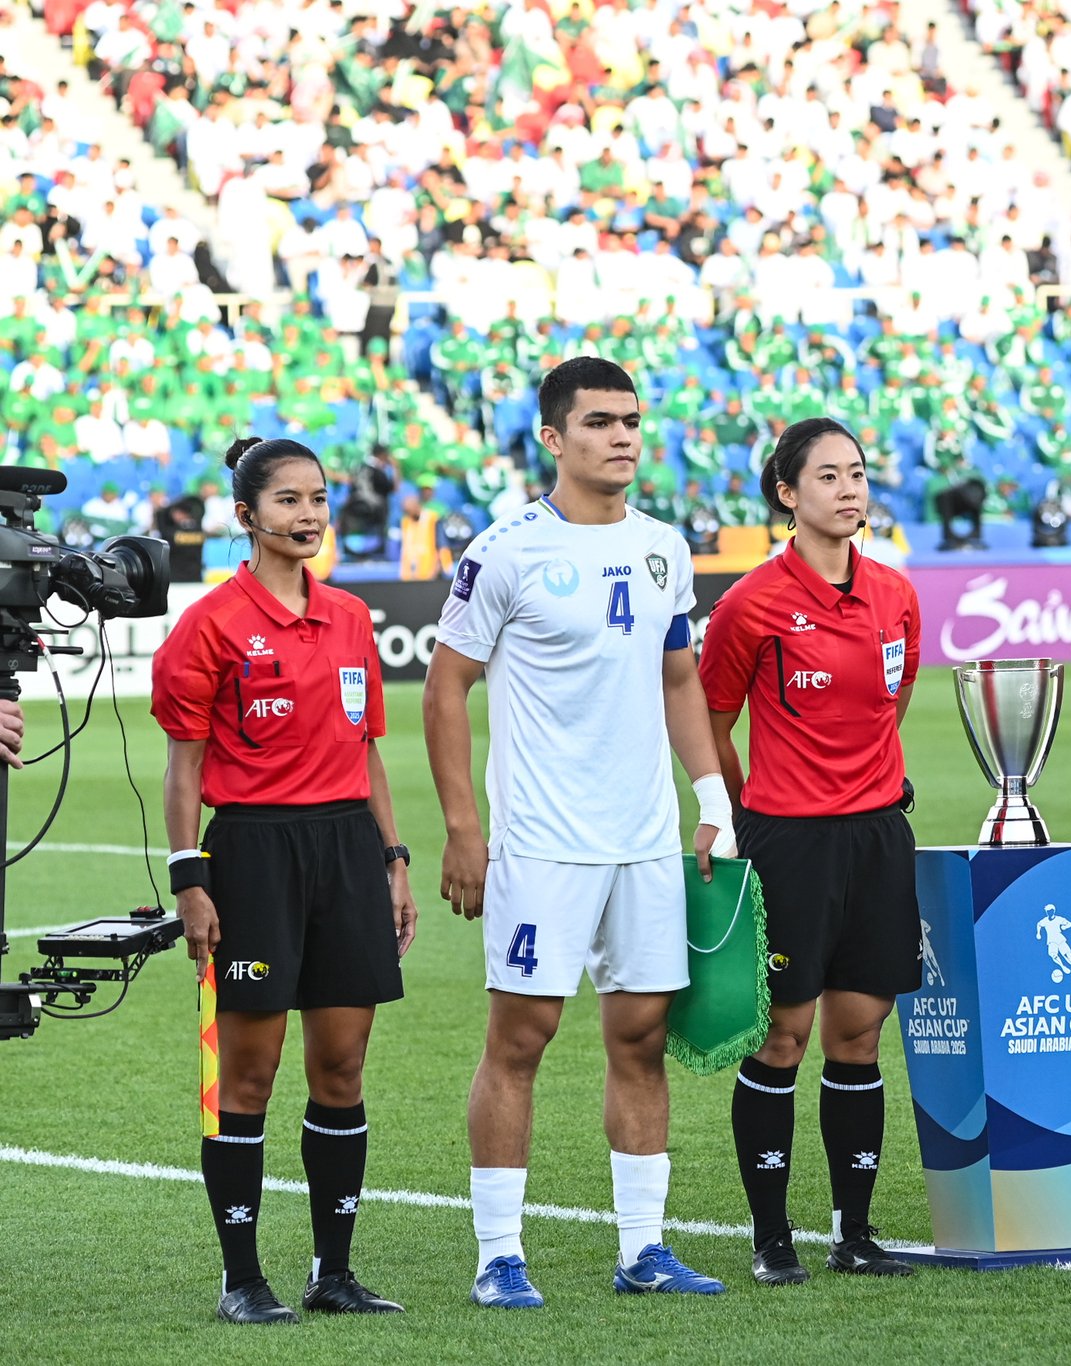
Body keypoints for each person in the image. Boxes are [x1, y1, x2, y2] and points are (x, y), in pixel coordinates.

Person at [424, 356, 734, 1309]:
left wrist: (712, 796)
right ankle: (498, 1255)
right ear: (554, 439)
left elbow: (680, 681)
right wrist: (464, 828)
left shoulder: (665, 546)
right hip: (542, 843)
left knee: (640, 1039)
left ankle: (644, 1249)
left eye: (632, 421)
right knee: (523, 1035)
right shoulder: (507, 549)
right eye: (600, 423)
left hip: (644, 841)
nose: (624, 437)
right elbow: (446, 686)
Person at [150, 436, 414, 1324]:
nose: (309, 515)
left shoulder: (347, 617)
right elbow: (183, 768)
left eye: (319, 498)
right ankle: (242, 1280)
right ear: (247, 516)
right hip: (253, 856)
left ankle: (332, 1275)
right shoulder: (210, 625)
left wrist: (392, 859)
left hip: (346, 849)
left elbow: (367, 751)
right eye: (290, 500)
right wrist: (192, 881)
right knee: (249, 1077)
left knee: (341, 1067)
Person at [698, 417, 923, 1286]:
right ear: (787, 496)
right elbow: (713, 722)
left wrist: (860, 784)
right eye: (827, 476)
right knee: (786, 1036)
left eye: (858, 473)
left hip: (877, 837)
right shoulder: (751, 602)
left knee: (859, 1036)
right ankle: (770, 1236)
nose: (849, 489)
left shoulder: (897, 595)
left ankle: (854, 1232)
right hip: (786, 841)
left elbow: (890, 704)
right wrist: (738, 808)